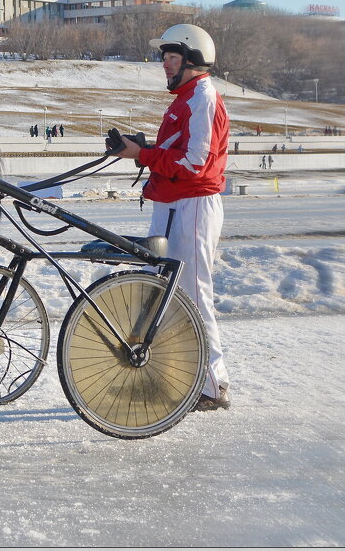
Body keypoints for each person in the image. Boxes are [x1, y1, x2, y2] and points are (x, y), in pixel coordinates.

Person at [111, 23, 231, 411]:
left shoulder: (202, 97)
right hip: (172, 206)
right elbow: (174, 152)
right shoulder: (184, 99)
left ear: (193, 60)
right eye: (164, 58)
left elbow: (196, 162)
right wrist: (139, 147)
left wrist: (142, 155)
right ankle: (180, 374)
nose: (165, 64)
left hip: (192, 206)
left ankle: (213, 385)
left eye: (172, 57)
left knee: (193, 294)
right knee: (168, 296)